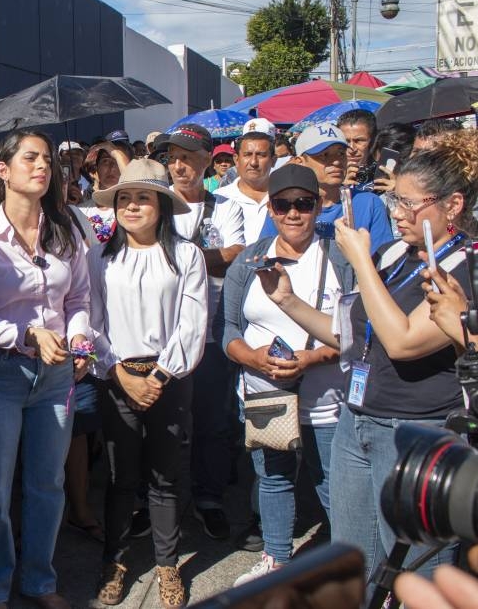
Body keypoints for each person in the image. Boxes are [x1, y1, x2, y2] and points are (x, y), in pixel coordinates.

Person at [254, 133, 478, 579]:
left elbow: (403, 342)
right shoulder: (395, 253)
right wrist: (288, 301)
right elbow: (351, 334)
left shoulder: (464, 267)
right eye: (395, 200)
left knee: (419, 570)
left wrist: (359, 263)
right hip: (356, 420)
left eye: (409, 204)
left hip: (416, 431)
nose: (396, 213)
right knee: (353, 564)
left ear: (451, 206)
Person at [0, 129, 90, 609]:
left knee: (46, 483)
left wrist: (78, 340)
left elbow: (77, 299)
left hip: (56, 376)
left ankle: (39, 581)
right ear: (3, 170)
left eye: (48, 160)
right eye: (31, 158)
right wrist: (30, 335)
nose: (42, 167)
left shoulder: (65, 230)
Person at [218, 165, 354, 585]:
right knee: (273, 476)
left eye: (304, 204)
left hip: (327, 396)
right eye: (283, 204)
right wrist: (253, 358)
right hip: (266, 392)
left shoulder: (339, 258)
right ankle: (276, 558)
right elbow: (228, 331)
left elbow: (358, 332)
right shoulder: (250, 259)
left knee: (333, 480)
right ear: (271, 209)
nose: (293, 214)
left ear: (318, 206)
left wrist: (311, 360)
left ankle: (346, 558)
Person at [88, 159, 206, 608]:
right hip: (117, 378)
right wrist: (119, 373)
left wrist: (158, 377)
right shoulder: (101, 258)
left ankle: (167, 564)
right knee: (121, 479)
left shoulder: (186, 254)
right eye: (124, 198)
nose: (132, 206)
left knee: (165, 477)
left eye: (142, 198)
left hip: (168, 379)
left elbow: (192, 322)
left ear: (161, 204)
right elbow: (93, 320)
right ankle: (114, 561)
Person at [157, 123, 245, 540]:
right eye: (172, 158)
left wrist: (179, 257)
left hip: (211, 332)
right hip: (162, 333)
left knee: (212, 420)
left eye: (188, 157)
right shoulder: (156, 203)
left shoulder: (226, 206)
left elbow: (236, 255)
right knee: (165, 424)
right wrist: (211, 256)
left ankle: (208, 499)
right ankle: (161, 501)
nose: (178, 165)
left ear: (207, 160)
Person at [260, 122, 392, 253]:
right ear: (300, 162)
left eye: (341, 153)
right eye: (324, 155)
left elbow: (383, 261)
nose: (336, 161)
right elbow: (266, 253)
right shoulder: (283, 205)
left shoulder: (368, 203)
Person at [216, 132, 273, 243]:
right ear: (236, 160)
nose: (253, 162)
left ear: (273, 160)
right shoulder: (220, 199)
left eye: (261, 155)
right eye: (247, 155)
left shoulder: (285, 198)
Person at [336, 109, 376, 183]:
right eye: (346, 141)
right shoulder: (327, 176)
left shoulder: (384, 174)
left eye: (359, 140)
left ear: (373, 141)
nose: (352, 148)